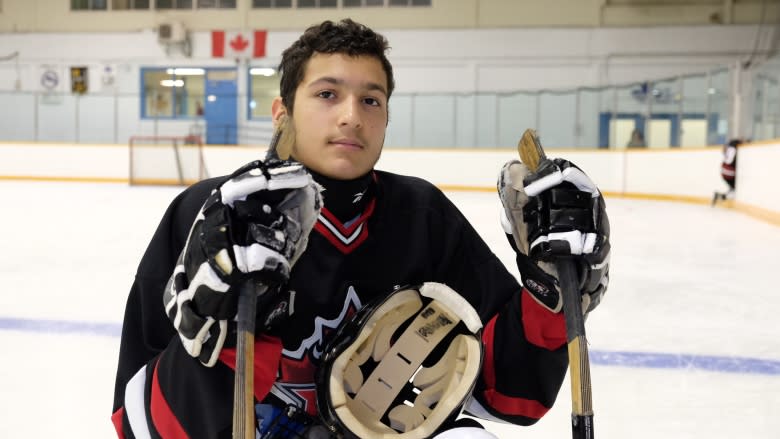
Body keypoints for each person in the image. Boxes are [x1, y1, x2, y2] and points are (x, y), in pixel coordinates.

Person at [111, 19, 611, 439]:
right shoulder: (208, 213)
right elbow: (137, 424)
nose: (351, 116)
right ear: (282, 114)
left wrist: (551, 292)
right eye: (327, 94)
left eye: (371, 100)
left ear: (387, 117)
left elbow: (511, 396)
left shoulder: (422, 214)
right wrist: (219, 332)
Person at [712, 138, 740, 206]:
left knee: (732, 189)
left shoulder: (729, 148)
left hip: (724, 171)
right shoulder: (734, 148)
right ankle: (720, 196)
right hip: (729, 173)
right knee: (734, 190)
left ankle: (719, 196)